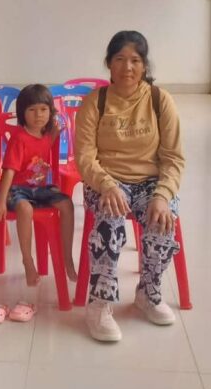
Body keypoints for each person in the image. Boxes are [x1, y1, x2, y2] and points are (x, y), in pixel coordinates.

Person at [75, 31, 185, 342]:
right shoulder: (95, 102)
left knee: (163, 219)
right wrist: (107, 185)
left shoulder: (159, 100)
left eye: (135, 60)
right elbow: (84, 157)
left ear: (144, 65)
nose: (127, 67)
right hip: (106, 181)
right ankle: (99, 302)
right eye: (120, 59)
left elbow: (174, 157)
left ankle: (148, 293)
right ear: (109, 64)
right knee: (109, 219)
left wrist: (162, 195)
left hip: (151, 182)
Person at [0, 84, 76, 322]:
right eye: (32, 110)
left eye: (44, 110)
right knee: (25, 208)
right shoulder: (19, 139)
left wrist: (56, 130)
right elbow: (8, 172)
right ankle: (28, 261)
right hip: (15, 189)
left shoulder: (46, 135)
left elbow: (50, 140)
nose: (39, 115)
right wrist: (1, 202)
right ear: (22, 113)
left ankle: (67, 258)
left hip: (39, 189)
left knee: (67, 204)